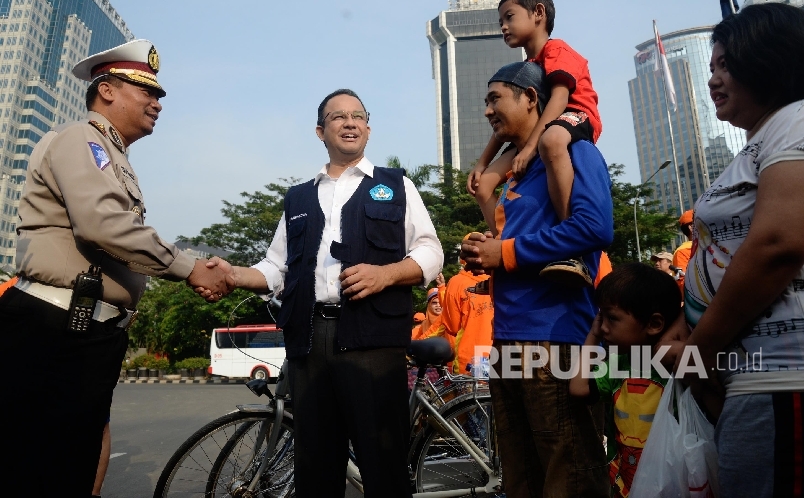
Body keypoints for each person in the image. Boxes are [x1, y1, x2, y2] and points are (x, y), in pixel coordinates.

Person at [0, 39, 231, 496]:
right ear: (106, 90)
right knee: (37, 466)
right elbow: (103, 225)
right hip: (55, 327)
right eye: (146, 90)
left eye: (158, 94)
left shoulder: (115, 157)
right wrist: (190, 267)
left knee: (70, 463)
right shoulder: (82, 140)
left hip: (86, 333)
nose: (156, 102)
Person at [196, 88, 443, 497]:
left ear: (368, 127)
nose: (350, 123)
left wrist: (387, 274)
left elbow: (430, 250)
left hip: (374, 343)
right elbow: (276, 267)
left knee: (384, 465)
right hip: (310, 343)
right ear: (319, 131)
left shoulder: (395, 186)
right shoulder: (298, 197)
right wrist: (233, 275)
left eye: (358, 116)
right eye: (338, 117)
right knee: (315, 467)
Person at [675, 3, 804, 497]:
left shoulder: (800, 120)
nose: (713, 80)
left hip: (792, 376)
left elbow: (778, 245)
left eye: (726, 65)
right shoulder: (764, 140)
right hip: (755, 380)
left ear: (771, 60)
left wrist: (700, 350)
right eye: (711, 67)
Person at [461, 61, 613, 497]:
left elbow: (594, 228)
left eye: (495, 99)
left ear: (531, 98)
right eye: (485, 102)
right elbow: (515, 247)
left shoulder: (572, 151)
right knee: (520, 471)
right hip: (507, 338)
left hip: (556, 339)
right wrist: (485, 253)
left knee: (569, 472)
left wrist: (504, 252)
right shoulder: (515, 173)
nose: (488, 111)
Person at [466, 0, 603, 287]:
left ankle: (571, 249)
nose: (503, 26)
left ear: (538, 13)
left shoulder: (556, 50)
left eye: (509, 17)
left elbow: (559, 99)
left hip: (575, 115)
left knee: (552, 141)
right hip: (543, 128)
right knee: (485, 184)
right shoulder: (526, 66)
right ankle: (505, 243)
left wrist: (529, 149)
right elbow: (509, 123)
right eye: (501, 20)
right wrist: (481, 164)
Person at [570, 263, 682, 497]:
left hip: (672, 481)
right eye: (601, 318)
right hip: (626, 484)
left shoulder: (675, 365)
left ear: (654, 324)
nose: (604, 328)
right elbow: (579, 388)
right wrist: (592, 336)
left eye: (611, 318)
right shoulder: (619, 363)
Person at [438, 254, 494, 374]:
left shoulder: (456, 282)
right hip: (502, 356)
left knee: (470, 392)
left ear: (463, 258)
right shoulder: (500, 279)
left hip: (470, 359)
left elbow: (452, 327)